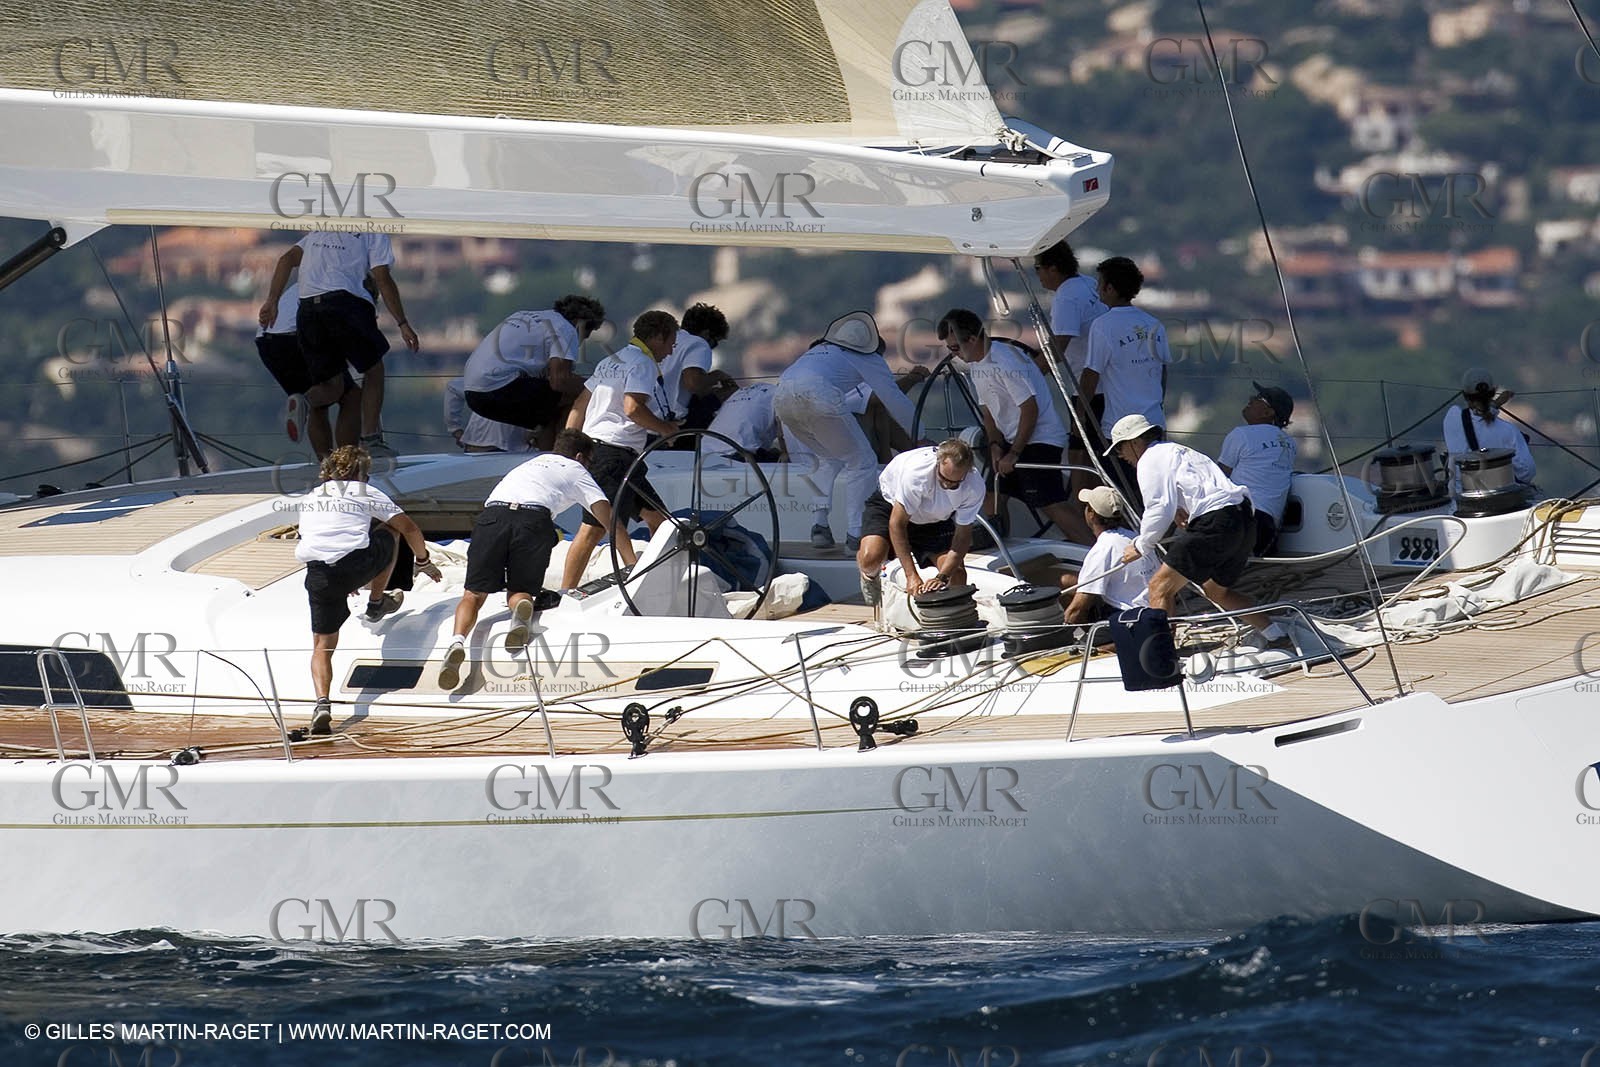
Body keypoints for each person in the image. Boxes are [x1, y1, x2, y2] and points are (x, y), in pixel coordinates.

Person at [436, 430, 615, 690]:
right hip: (532, 519)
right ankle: (519, 615)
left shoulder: (531, 464)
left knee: (472, 595)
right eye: (589, 461)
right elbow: (608, 518)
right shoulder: (576, 469)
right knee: (520, 590)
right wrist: (629, 556)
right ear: (579, 456)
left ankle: (457, 642)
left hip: (492, 516)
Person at [293, 445, 441, 735]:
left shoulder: (310, 498)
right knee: (391, 531)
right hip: (353, 565)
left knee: (321, 647)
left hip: (319, 574)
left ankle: (322, 703)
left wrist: (341, 579)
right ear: (359, 472)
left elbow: (314, 535)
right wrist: (423, 561)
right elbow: (410, 528)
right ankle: (376, 602)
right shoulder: (365, 492)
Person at [1107, 414, 1283, 642]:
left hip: (1216, 521)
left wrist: (1141, 545)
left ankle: (1162, 659)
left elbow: (1158, 507)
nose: (1120, 456)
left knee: (1159, 587)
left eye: (1119, 449)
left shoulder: (1149, 459)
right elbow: (1195, 491)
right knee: (1215, 590)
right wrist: (1183, 509)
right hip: (1244, 518)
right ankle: (1276, 634)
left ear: (1134, 442)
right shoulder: (1180, 451)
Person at [939, 307, 1091, 545]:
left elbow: (1030, 409)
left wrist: (1014, 453)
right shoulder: (977, 366)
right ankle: (1001, 547)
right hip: (1012, 442)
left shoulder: (1006, 361)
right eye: (950, 350)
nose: (954, 355)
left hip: (1039, 440)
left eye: (955, 348)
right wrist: (995, 445)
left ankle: (1093, 550)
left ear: (972, 339)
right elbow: (988, 412)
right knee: (992, 498)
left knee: (1050, 504)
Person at [261, 231, 417, 458]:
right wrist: (402, 322)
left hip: (307, 310)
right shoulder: (373, 229)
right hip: (345, 303)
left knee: (333, 386)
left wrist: (272, 300)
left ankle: (304, 401)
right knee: (374, 369)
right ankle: (371, 440)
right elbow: (382, 277)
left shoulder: (321, 229)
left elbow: (286, 260)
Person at [774, 311, 918, 551]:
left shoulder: (817, 352)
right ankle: (856, 534)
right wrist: (919, 433)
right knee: (862, 461)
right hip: (819, 396)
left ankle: (819, 526)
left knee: (826, 459)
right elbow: (892, 398)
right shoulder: (869, 358)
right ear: (872, 346)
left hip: (781, 398)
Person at [561, 309, 681, 591]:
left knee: (659, 521)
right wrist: (665, 429)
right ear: (656, 338)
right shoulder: (644, 364)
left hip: (612, 454)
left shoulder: (610, 361)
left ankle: (656, 583)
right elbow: (633, 408)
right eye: (670, 342)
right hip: (613, 454)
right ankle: (565, 594)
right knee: (593, 529)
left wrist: (567, 446)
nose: (672, 349)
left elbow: (580, 402)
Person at [461, 297, 605, 452]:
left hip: (472, 392)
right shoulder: (565, 328)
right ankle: (562, 458)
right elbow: (560, 382)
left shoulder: (524, 315)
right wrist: (598, 389)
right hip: (496, 389)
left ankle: (546, 456)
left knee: (549, 407)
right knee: (574, 397)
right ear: (579, 323)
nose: (582, 341)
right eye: (586, 334)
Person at [1081, 256, 1170, 504]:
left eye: (1100, 283)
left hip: (1121, 430)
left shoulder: (1103, 326)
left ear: (1110, 288)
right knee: (1154, 497)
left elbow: (1090, 376)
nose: (1098, 289)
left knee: (1122, 499)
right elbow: (1162, 371)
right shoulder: (1155, 324)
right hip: (1154, 423)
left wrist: (1079, 419)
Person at [856, 439, 986, 605]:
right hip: (891, 505)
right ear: (938, 463)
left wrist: (942, 577)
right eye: (943, 478)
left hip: (935, 518)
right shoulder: (917, 474)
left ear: (967, 472)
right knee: (871, 558)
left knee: (957, 575)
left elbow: (962, 537)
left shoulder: (974, 486)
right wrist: (911, 576)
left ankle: (950, 619)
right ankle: (868, 575)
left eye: (955, 483)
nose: (947, 484)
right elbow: (897, 525)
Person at [256, 278, 350, 457]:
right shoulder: (349, 284)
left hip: (265, 339)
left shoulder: (312, 275)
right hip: (295, 336)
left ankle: (327, 464)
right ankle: (347, 463)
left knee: (320, 398)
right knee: (350, 394)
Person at [1218, 382, 1298, 556]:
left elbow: (1218, 478)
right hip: (1268, 528)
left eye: (1258, 398)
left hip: (1240, 517)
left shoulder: (1241, 434)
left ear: (1268, 413)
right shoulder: (1290, 443)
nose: (1251, 399)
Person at [1064, 486, 1160, 625]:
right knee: (1068, 581)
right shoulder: (1137, 538)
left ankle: (1100, 644)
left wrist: (1062, 630)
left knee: (1069, 590)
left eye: (1087, 506)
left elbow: (1079, 606)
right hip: (1154, 610)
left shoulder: (1102, 549)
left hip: (1128, 618)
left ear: (1091, 513)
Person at [1442, 367, 1536, 492]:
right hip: (1502, 499)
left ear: (1465, 396)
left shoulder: (1453, 418)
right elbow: (1527, 473)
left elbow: (1477, 417)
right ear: (1493, 392)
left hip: (1463, 501)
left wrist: (1495, 404)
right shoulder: (1509, 430)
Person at [1033, 239, 1107, 379]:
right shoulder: (1088, 282)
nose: (1037, 275)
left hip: (1094, 387)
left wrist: (1026, 378)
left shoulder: (1066, 298)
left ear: (1053, 269)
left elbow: (1057, 350)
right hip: (1111, 380)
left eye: (1037, 268)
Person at [661, 303, 732, 433]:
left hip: (648, 418)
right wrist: (718, 376)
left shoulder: (667, 339)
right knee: (727, 395)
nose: (712, 347)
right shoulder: (698, 343)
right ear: (706, 334)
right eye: (715, 343)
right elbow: (693, 383)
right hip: (673, 423)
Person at [444, 378, 533, 454]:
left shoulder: (486, 380)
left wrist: (455, 428)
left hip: (476, 446)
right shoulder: (531, 383)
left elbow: (453, 387)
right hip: (511, 450)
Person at [707, 380, 783, 459]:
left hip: (704, 452)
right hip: (739, 453)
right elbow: (782, 434)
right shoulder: (780, 396)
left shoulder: (740, 392)